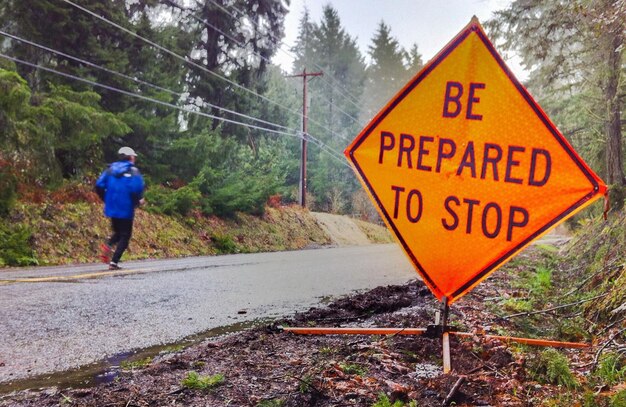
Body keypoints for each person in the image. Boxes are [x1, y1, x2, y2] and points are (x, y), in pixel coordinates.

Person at [95, 146, 145, 270]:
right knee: (125, 236)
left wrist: (105, 198)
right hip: (126, 208)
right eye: (134, 156)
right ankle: (114, 262)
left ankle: (108, 245)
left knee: (118, 232)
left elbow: (99, 185)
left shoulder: (110, 169)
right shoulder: (133, 171)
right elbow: (137, 188)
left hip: (112, 207)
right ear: (131, 157)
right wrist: (138, 200)